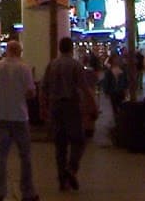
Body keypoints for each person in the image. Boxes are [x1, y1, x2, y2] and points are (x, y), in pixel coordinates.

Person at [0, 39, 39, 201]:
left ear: (6, 51)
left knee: (1, 156)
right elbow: (31, 92)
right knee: (25, 155)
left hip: (0, 115)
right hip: (19, 116)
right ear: (20, 52)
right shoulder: (25, 68)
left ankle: (0, 192)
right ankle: (27, 192)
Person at [42, 37, 87, 191]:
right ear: (71, 48)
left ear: (60, 48)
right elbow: (83, 86)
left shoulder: (51, 65)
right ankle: (71, 168)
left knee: (60, 145)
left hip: (55, 106)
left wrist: (44, 108)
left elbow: (44, 88)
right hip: (72, 106)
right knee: (78, 140)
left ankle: (62, 180)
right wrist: (91, 104)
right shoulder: (76, 65)